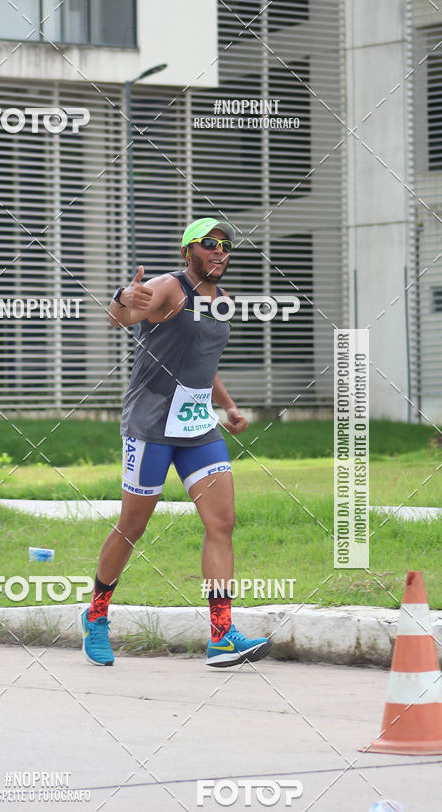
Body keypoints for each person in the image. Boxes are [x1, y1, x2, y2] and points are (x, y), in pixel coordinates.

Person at [80, 216, 272, 668]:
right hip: (150, 423)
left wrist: (228, 407)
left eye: (226, 245)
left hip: (196, 426)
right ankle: (96, 615)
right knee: (133, 526)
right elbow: (121, 319)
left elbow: (205, 359)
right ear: (189, 251)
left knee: (221, 523)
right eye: (209, 244)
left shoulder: (221, 300)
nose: (220, 251)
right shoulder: (170, 287)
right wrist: (121, 297)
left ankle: (222, 635)